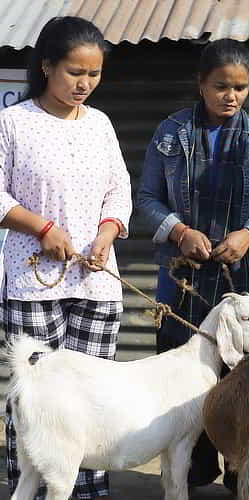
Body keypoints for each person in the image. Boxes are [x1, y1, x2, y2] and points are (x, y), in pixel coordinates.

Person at [136, 38, 249, 490]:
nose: (231, 96)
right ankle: (186, 474)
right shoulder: (170, 134)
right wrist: (179, 231)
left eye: (241, 87)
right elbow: (146, 198)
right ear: (200, 84)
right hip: (184, 283)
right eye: (221, 86)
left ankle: (243, 476)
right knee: (182, 382)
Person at [0, 17, 132, 500]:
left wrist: (106, 234)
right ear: (46, 65)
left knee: (92, 402)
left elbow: (120, 191)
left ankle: (88, 492)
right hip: (33, 284)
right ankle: (27, 491)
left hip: (96, 285)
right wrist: (43, 228)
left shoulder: (100, 124)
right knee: (35, 401)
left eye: (94, 75)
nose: (85, 84)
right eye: (75, 72)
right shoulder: (13, 122)